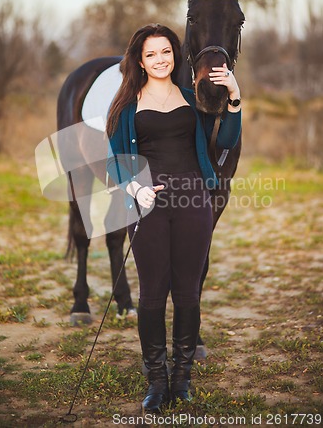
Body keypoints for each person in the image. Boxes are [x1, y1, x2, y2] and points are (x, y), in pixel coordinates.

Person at [106, 23, 241, 414]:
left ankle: (182, 379)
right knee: (151, 295)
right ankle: (156, 381)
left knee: (187, 292)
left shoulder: (191, 98)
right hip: (147, 207)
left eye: (166, 51)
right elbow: (116, 163)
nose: (160, 59)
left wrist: (234, 96)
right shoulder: (126, 107)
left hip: (194, 203)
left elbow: (227, 139)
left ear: (176, 54)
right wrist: (135, 190)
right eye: (151, 54)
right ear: (140, 61)